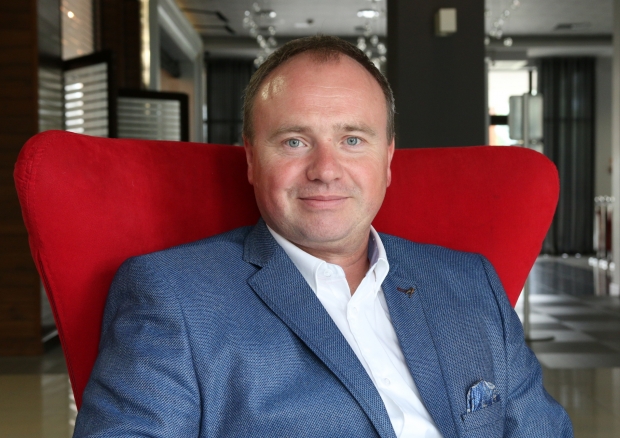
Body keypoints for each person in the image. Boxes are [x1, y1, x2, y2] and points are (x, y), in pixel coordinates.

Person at [74, 35, 572, 437]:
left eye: (352, 140)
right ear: (251, 158)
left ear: (387, 159)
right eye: (295, 141)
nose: (326, 170)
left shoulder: (471, 281)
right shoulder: (171, 295)